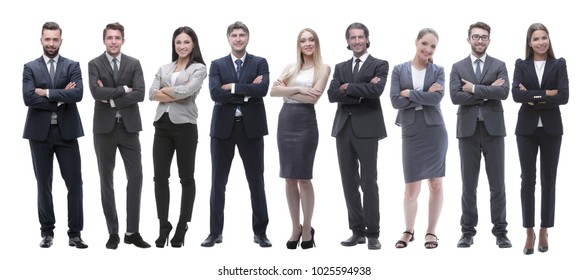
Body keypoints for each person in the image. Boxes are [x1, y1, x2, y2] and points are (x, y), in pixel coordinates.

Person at [201, 21, 272, 248]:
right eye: (234, 35)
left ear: (247, 38)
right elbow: (214, 94)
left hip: (251, 128)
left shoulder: (260, 62)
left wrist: (230, 87)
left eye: (242, 35)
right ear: (228, 38)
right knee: (217, 182)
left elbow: (262, 90)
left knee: (256, 182)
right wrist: (245, 90)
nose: (238, 39)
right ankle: (215, 233)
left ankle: (260, 233)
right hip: (223, 129)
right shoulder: (217, 64)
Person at [22, 21, 87, 249]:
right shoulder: (30, 67)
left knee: (75, 184)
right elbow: (28, 98)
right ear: (41, 40)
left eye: (55, 39)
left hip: (67, 132)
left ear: (61, 40)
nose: (51, 43)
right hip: (39, 135)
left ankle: (75, 234)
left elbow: (78, 94)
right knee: (44, 184)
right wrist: (61, 97)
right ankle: (47, 232)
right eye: (47, 39)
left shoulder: (72, 66)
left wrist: (47, 93)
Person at [449, 21, 512, 249]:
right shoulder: (458, 67)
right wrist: (488, 91)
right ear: (469, 40)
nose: (480, 40)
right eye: (476, 37)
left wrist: (474, 89)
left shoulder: (499, 64)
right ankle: (467, 232)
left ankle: (501, 231)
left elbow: (503, 92)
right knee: (468, 184)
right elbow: (455, 97)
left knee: (498, 184)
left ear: (489, 40)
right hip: (467, 131)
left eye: (484, 37)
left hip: (493, 130)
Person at [88, 22, 150, 249]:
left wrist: (112, 98)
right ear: (104, 40)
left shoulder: (134, 63)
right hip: (103, 130)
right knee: (107, 180)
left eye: (117, 38)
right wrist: (125, 89)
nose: (113, 41)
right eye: (109, 38)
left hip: (129, 128)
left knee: (136, 178)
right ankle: (113, 232)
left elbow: (141, 93)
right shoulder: (94, 63)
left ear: (123, 40)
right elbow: (96, 92)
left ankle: (132, 232)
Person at [327, 22, 388, 250]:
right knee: (348, 182)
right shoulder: (340, 66)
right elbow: (332, 95)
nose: (357, 41)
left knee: (368, 182)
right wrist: (359, 89)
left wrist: (347, 87)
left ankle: (373, 233)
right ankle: (357, 231)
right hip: (344, 129)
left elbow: (377, 91)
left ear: (367, 38)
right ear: (348, 42)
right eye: (352, 38)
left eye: (360, 37)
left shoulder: (380, 64)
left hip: (368, 130)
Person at [269, 28, 331, 249]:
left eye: (311, 40)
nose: (307, 44)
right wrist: (297, 89)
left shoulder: (323, 68)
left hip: (305, 124)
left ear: (316, 43)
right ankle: (295, 227)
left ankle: (307, 227)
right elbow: (272, 92)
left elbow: (313, 99)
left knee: (304, 177)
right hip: (285, 122)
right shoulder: (289, 68)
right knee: (289, 178)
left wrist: (287, 89)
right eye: (303, 40)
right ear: (298, 44)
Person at [512, 23, 569, 255]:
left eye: (544, 37)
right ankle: (529, 230)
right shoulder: (520, 64)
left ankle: (544, 229)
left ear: (548, 40)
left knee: (548, 180)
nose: (540, 42)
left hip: (551, 129)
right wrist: (548, 93)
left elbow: (564, 96)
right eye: (536, 38)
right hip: (525, 130)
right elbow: (516, 95)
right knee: (527, 180)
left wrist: (533, 96)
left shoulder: (559, 64)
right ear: (529, 42)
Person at [149, 26, 207, 248]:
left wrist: (165, 92)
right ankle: (164, 225)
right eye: (178, 42)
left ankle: (182, 225)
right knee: (160, 178)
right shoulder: (164, 67)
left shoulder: (199, 68)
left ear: (193, 44)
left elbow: (188, 92)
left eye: (186, 42)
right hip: (162, 126)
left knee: (186, 177)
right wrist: (175, 92)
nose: (182, 46)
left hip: (185, 127)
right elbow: (151, 93)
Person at [390, 28, 447, 249]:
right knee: (411, 188)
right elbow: (395, 100)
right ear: (416, 42)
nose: (428, 49)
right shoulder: (399, 70)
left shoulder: (439, 70)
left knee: (435, 183)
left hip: (435, 131)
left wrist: (409, 93)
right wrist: (423, 95)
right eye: (425, 43)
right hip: (411, 131)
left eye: (433, 46)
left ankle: (431, 232)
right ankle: (408, 230)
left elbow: (437, 98)